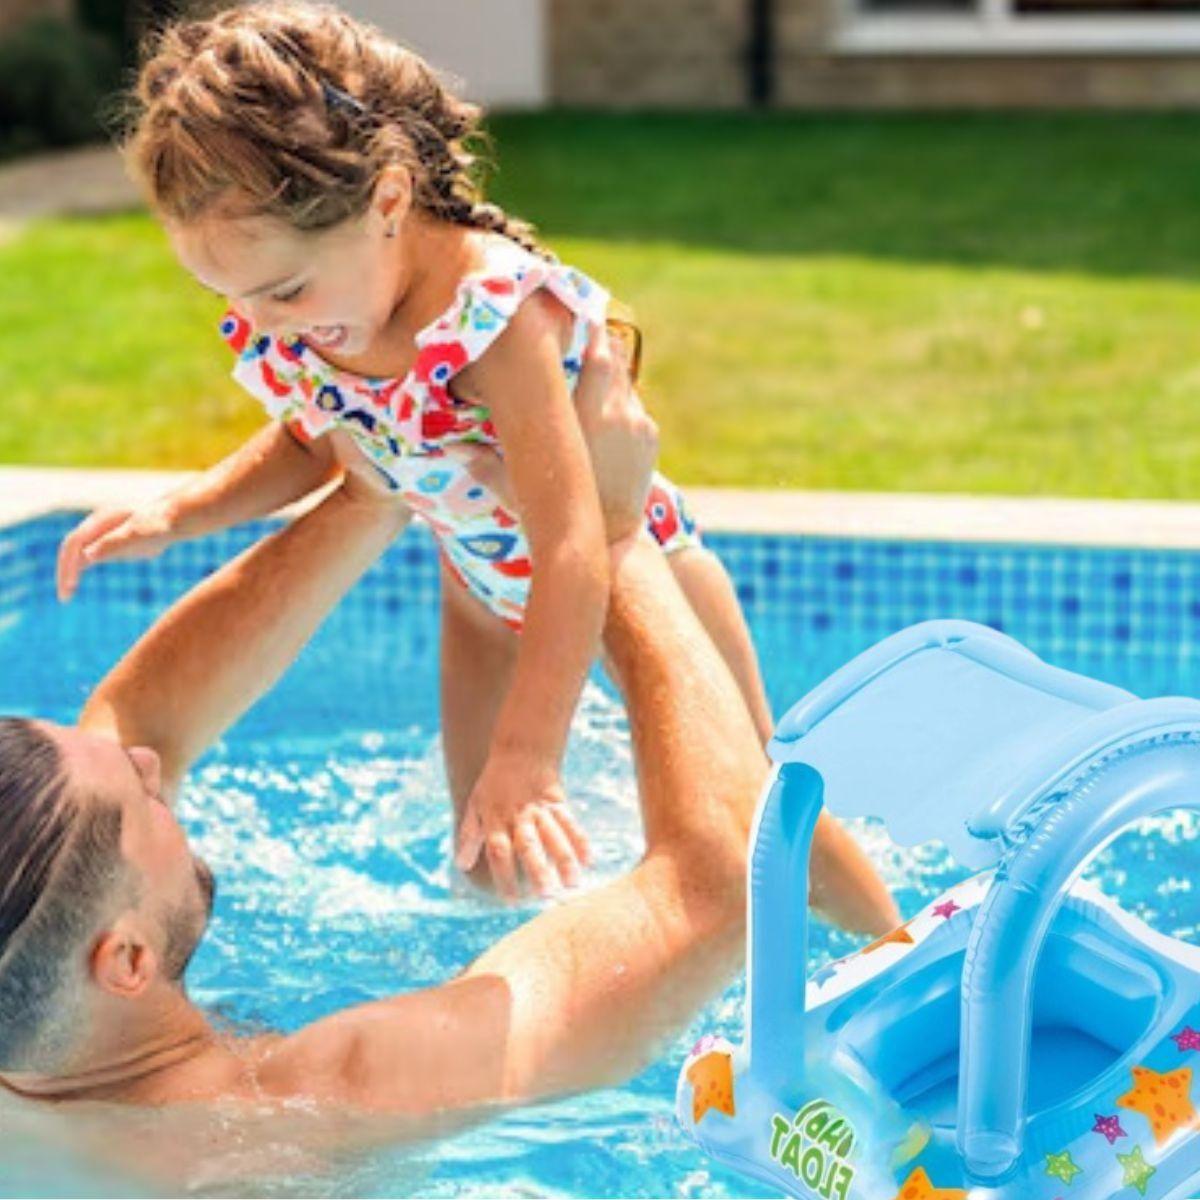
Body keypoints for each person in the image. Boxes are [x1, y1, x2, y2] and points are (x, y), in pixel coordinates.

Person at [52, 0, 895, 929]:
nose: (265, 325)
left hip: (626, 577)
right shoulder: (321, 311)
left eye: (283, 290)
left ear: (387, 199)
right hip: (482, 598)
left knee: (761, 803)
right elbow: (314, 440)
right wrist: (185, 512)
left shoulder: (488, 315)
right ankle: (509, 978)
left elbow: (575, 540)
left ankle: (889, 941)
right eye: (232, 299)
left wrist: (532, 753)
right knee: (482, 841)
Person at [0, 346, 891, 1187]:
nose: (150, 764)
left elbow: (133, 727)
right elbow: (729, 877)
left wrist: (373, 488)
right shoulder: (343, 1091)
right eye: (138, 800)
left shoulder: (35, 1071)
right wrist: (610, 533)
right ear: (124, 958)